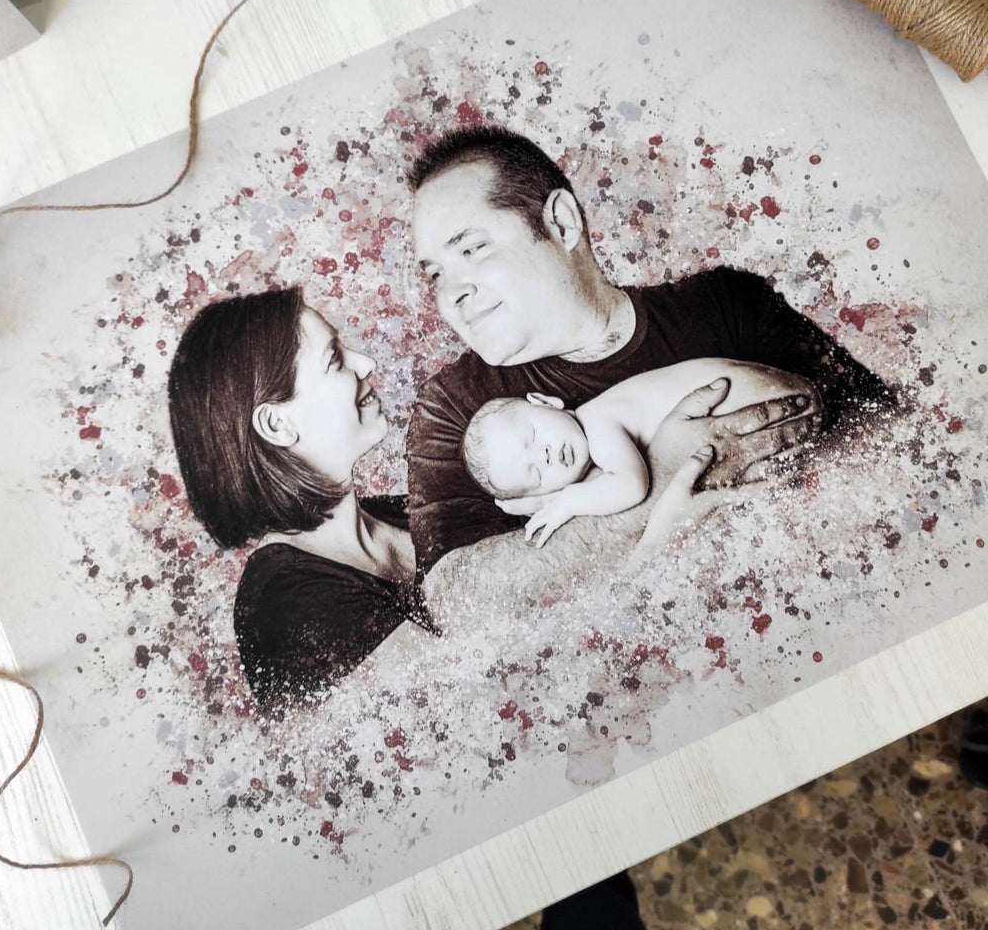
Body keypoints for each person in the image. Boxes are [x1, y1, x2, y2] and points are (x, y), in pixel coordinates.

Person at [406, 125, 896, 577]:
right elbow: (457, 602)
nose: (452, 293)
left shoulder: (724, 304)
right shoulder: (454, 406)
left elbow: (888, 433)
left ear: (561, 223)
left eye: (472, 249)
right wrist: (664, 477)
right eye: (436, 273)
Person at [167, 286, 438, 713]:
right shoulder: (286, 602)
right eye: (335, 359)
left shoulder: (402, 511)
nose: (366, 363)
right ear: (277, 424)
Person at [463, 358, 817, 547]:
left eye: (533, 436)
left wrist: (567, 500)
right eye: (536, 473)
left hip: (768, 404)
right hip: (777, 395)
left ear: (546, 401)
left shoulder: (597, 422)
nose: (544, 455)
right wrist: (546, 500)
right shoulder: (591, 434)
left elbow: (631, 486)